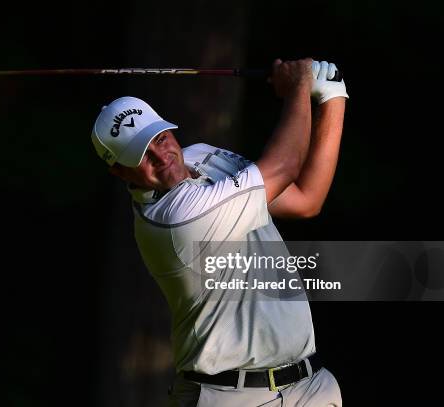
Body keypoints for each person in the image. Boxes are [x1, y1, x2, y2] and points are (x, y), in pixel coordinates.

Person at [91, 58, 347, 406]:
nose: (162, 156)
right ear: (120, 172)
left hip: (308, 386)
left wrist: (333, 97)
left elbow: (305, 200)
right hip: (230, 395)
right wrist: (299, 87)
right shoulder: (174, 218)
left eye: (161, 138)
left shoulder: (202, 156)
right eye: (142, 155)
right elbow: (284, 165)